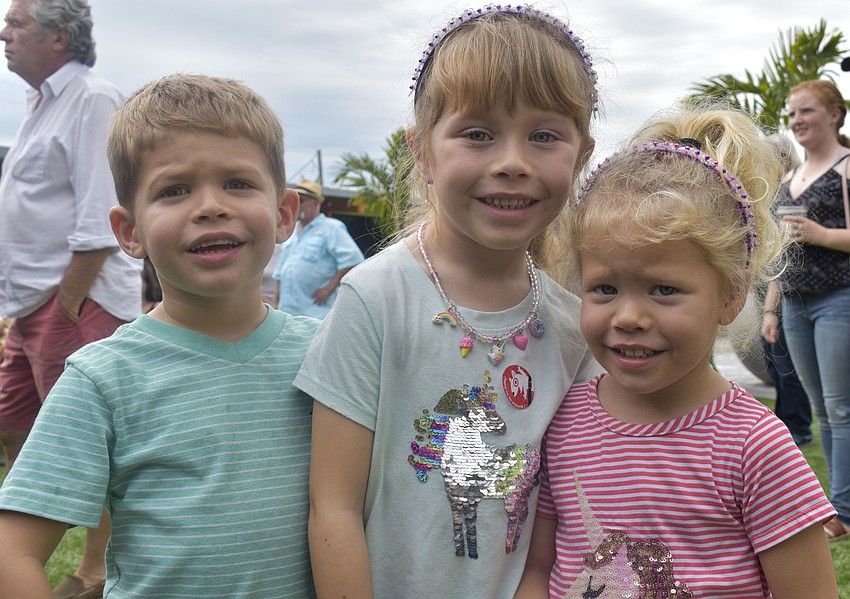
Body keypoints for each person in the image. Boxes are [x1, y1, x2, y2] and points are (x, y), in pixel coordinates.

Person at [296, 5, 600, 598]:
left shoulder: (572, 326)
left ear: (581, 155)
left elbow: (569, 506)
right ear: (423, 152)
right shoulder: (375, 298)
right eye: (477, 134)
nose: (512, 163)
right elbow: (331, 506)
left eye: (544, 136)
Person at [0, 73, 318, 598]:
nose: (210, 206)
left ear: (284, 214)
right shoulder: (102, 379)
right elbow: (14, 550)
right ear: (130, 232)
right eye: (174, 190)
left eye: (238, 183)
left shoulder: (330, 353)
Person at [515, 105, 839, 598]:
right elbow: (538, 569)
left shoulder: (755, 447)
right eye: (603, 289)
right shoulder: (561, 423)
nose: (628, 317)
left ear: (731, 294)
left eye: (663, 290)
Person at [0, 1, 140, 596]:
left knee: (91, 439)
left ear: (59, 36)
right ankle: (36, 540)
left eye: (16, 23)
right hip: (33, 306)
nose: (4, 33)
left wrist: (65, 308)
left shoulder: (92, 98)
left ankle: (95, 568)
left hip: (76, 305)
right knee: (13, 419)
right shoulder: (41, 104)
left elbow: (97, 218)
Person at [761, 79, 850, 544]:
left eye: (807, 111)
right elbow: (781, 251)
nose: (797, 121)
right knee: (819, 408)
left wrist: (819, 233)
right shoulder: (787, 181)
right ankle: (836, 505)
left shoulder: (845, 168)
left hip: (838, 299)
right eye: (792, 113)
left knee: (840, 408)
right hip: (794, 303)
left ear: (835, 114)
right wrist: (771, 309)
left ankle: (846, 512)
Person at [759, 133, 812, 446]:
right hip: (777, 284)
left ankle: (797, 426)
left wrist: (770, 308)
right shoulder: (773, 192)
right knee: (774, 354)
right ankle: (788, 422)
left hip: (794, 288)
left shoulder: (794, 190)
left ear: (781, 158)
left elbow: (788, 250)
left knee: (785, 361)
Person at [273, 179, 364, 318]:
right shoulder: (292, 230)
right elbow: (280, 272)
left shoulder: (331, 227)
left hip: (315, 314)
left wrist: (328, 289)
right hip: (286, 313)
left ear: (316, 203)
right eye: (294, 201)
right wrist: (275, 302)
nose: (297, 205)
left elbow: (353, 260)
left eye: (301, 201)